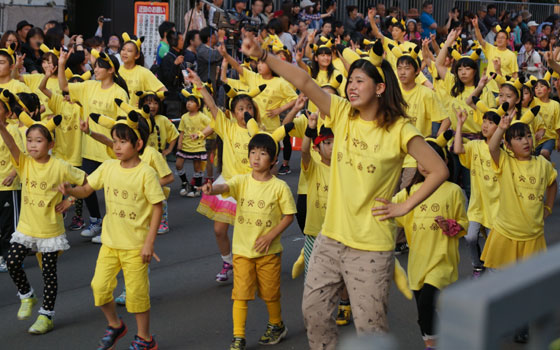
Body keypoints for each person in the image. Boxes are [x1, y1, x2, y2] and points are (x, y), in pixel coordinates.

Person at [240, 32, 448, 349]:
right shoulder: (341, 113)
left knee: (370, 327)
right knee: (314, 312)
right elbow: (306, 83)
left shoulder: (399, 129)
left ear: (379, 88)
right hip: (331, 238)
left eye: (360, 81)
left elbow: (439, 169)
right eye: (350, 80)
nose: (351, 86)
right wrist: (263, 56)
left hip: (371, 246)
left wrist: (403, 206)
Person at [60, 113, 164, 350]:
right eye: (114, 140)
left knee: (137, 297)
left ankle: (145, 339)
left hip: (136, 246)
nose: (116, 146)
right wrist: (70, 191)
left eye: (123, 141)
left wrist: (149, 243)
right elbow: (86, 189)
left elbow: (157, 207)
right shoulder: (108, 167)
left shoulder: (146, 173)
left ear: (138, 145)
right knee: (99, 287)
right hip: (110, 242)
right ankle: (115, 325)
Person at [201, 116, 296, 350]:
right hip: (242, 251)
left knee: (270, 294)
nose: (256, 157)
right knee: (240, 294)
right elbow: (227, 186)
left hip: (269, 252)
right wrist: (213, 187)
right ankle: (238, 336)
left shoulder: (279, 187)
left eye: (262, 153)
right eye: (253, 152)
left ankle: (277, 325)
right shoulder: (242, 180)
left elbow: (288, 216)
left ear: (273, 159)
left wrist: (270, 236)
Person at [0, 90, 86, 334]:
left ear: (51, 144)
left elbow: (87, 183)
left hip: (50, 231)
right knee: (13, 261)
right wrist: (1, 126)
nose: (33, 145)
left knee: (49, 275)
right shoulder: (24, 163)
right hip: (27, 228)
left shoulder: (60, 166)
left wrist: (70, 198)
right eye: (29, 141)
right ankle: (27, 295)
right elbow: (10, 143)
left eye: (38, 141)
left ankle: (46, 315)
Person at [188, 67, 266, 284]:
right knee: (219, 229)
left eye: (249, 107)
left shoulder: (258, 131)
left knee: (250, 231)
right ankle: (227, 261)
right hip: (228, 185)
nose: (245, 111)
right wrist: (199, 84)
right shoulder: (227, 127)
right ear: (232, 113)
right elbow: (212, 107)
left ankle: (254, 263)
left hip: (252, 186)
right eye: (240, 108)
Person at [393, 132, 468, 349]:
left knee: (426, 303)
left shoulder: (453, 191)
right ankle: (436, 339)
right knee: (424, 309)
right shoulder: (410, 191)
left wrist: (450, 225)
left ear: (443, 161)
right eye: (420, 161)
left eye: (429, 160)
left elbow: (464, 222)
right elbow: (390, 210)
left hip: (442, 259)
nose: (423, 165)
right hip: (418, 261)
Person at [57, 48, 130, 243]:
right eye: (94, 66)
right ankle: (96, 220)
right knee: (86, 184)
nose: (95, 69)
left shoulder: (120, 92)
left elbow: (122, 124)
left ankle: (111, 227)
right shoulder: (88, 86)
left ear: (111, 70)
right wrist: (62, 64)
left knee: (110, 191)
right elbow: (64, 86)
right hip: (89, 148)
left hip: (110, 149)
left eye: (99, 67)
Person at [0, 92, 24, 273]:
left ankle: (13, 256)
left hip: (9, 185)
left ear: (8, 114)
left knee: (10, 224)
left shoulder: (13, 130)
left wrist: (13, 173)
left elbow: (22, 156)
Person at [176, 88, 211, 197]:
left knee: (197, 168)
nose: (188, 104)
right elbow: (181, 131)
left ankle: (197, 188)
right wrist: (179, 143)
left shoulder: (202, 116)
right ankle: (185, 183)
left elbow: (212, 126)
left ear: (198, 105)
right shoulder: (184, 117)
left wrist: (202, 134)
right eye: (188, 101)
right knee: (178, 165)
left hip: (197, 147)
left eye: (192, 102)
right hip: (185, 146)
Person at [118, 33, 166, 107]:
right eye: (123, 49)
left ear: (137, 55)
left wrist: (148, 103)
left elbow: (163, 91)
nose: (125, 53)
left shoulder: (143, 72)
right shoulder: (116, 71)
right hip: (116, 115)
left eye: (129, 51)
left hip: (136, 115)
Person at [159, 30, 186, 119]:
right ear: (175, 42)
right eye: (181, 40)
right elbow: (168, 80)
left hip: (179, 98)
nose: (183, 42)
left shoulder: (179, 56)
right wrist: (175, 64)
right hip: (170, 100)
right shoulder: (167, 58)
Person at [533, 74, 560, 160]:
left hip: (550, 138)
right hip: (535, 139)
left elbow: (557, 124)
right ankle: (548, 168)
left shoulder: (555, 104)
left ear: (549, 90)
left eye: (541, 86)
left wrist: (559, 139)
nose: (538, 89)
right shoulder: (533, 101)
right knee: (535, 162)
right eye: (536, 88)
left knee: (544, 153)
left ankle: (548, 168)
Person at [196, 27, 224, 91]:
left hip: (213, 84)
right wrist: (221, 39)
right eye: (215, 34)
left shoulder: (213, 48)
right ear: (209, 38)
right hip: (205, 86)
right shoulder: (202, 50)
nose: (216, 36)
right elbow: (216, 56)